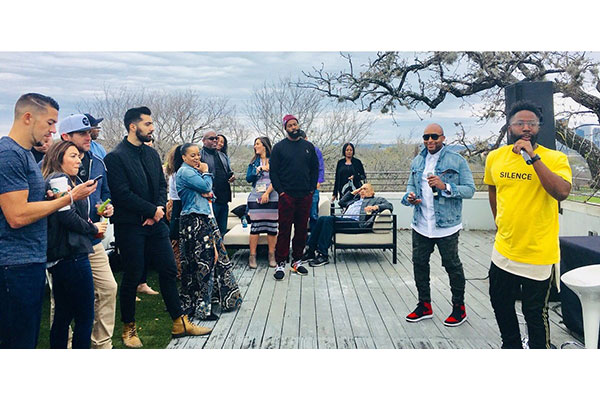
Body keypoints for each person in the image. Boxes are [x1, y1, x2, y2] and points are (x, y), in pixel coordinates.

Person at [104, 106, 211, 348]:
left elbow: (161, 186)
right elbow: (121, 194)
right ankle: (128, 328)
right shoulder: (116, 157)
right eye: (148, 124)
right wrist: (150, 210)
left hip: (155, 223)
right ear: (133, 126)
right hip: (130, 225)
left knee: (169, 270)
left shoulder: (152, 154)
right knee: (132, 275)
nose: (152, 128)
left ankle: (179, 321)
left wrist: (157, 210)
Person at [0, 93, 97, 349]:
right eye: (50, 122)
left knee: (29, 338)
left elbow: (27, 203)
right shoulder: (9, 154)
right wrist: (67, 199)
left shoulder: (24, 155)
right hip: (15, 264)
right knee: (17, 343)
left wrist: (48, 197)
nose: (54, 129)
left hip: (31, 259)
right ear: (28, 117)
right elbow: (17, 215)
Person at [485, 101, 572, 349]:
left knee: (534, 312)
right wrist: (500, 222)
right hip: (504, 249)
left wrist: (533, 158)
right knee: (500, 302)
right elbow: (493, 191)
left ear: (539, 127)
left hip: (538, 252)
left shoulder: (555, 158)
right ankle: (510, 345)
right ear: (509, 126)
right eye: (519, 123)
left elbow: (561, 192)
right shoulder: (495, 157)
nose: (525, 128)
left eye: (531, 124)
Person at [401, 123, 475, 327]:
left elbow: (470, 189)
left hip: (446, 226)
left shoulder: (457, 160)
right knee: (419, 264)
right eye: (426, 137)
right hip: (421, 224)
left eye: (434, 136)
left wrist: (445, 186)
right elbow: (410, 185)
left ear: (443, 138)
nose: (430, 141)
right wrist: (410, 196)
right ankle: (424, 305)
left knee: (452, 265)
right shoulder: (417, 160)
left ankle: (459, 308)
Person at [59, 113, 118, 349]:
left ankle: (101, 345)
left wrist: (106, 206)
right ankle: (66, 345)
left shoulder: (97, 160)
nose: (88, 135)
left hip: (92, 239)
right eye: (82, 133)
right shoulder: (50, 167)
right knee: (62, 301)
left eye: (88, 131)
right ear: (65, 137)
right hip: (63, 243)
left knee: (107, 288)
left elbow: (105, 192)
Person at [41, 141, 107, 348]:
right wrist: (93, 229)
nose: (79, 159)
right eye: (73, 156)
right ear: (58, 157)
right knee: (84, 315)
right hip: (71, 255)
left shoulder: (70, 179)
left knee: (64, 313)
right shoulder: (59, 179)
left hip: (66, 255)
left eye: (79, 156)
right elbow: (66, 216)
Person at [177, 143, 242, 320]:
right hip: (195, 220)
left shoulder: (192, 172)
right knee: (203, 263)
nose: (197, 158)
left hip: (203, 218)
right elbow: (206, 187)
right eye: (192, 155)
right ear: (183, 157)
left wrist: (206, 188)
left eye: (198, 155)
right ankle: (201, 309)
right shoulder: (186, 172)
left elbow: (210, 193)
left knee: (209, 260)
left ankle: (203, 302)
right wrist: (206, 172)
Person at [270, 114, 319, 281]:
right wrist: (281, 192)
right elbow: (273, 172)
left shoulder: (308, 146)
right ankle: (280, 263)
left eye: (295, 124)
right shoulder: (278, 148)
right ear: (285, 128)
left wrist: (311, 190)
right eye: (290, 125)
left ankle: (297, 261)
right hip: (287, 195)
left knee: (301, 230)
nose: (294, 127)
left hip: (305, 195)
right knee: (284, 230)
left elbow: (315, 169)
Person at [302, 183, 393, 267]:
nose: (362, 191)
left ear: (372, 192)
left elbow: (389, 205)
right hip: (345, 221)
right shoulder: (355, 199)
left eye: (365, 189)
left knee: (328, 220)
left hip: (358, 223)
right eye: (361, 189)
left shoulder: (377, 200)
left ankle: (323, 255)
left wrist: (375, 207)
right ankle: (311, 251)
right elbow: (341, 202)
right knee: (322, 219)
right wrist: (354, 192)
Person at [245, 137, 278, 268]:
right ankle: (252, 256)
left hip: (272, 195)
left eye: (257, 144)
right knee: (255, 227)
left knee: (272, 227)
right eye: (254, 144)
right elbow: (248, 179)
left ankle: (272, 255)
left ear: (264, 145)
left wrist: (267, 193)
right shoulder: (253, 162)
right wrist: (257, 171)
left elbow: (278, 178)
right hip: (256, 197)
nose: (255, 146)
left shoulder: (275, 161)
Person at [200, 131, 235, 236]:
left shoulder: (223, 156)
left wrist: (232, 177)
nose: (215, 140)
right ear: (204, 141)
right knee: (210, 231)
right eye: (211, 138)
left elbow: (229, 172)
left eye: (216, 138)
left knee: (222, 231)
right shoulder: (200, 156)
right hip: (210, 199)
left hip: (224, 199)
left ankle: (221, 252)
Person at [165, 144, 184, 278]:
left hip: (173, 203)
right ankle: (178, 270)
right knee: (177, 240)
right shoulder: (180, 173)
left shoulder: (173, 172)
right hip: (178, 204)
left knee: (176, 240)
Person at [303, 132, 325, 232]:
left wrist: (319, 181)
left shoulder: (315, 151)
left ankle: (313, 240)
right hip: (300, 187)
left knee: (313, 214)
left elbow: (320, 167)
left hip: (313, 187)